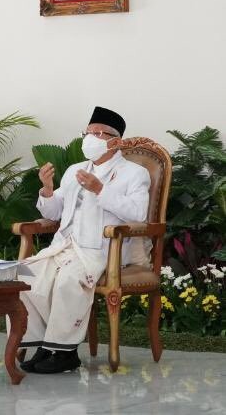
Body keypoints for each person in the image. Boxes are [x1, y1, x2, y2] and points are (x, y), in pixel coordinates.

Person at [17, 107, 150, 374]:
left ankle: (65, 353)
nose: (91, 138)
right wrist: (46, 188)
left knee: (68, 280)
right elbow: (55, 213)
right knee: (24, 275)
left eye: (98, 133)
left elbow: (138, 215)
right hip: (65, 245)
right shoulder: (75, 170)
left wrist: (100, 189)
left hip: (102, 250)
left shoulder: (134, 173)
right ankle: (46, 344)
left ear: (116, 141)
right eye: (87, 133)